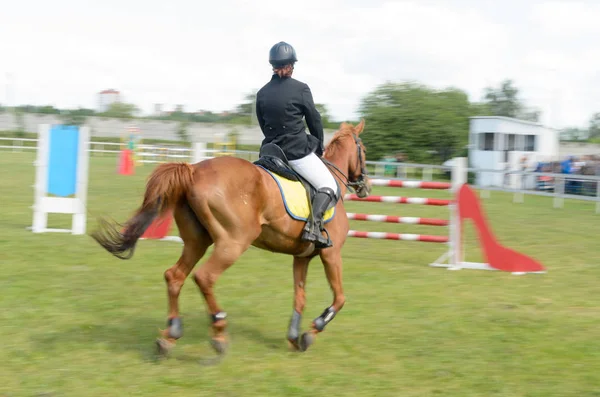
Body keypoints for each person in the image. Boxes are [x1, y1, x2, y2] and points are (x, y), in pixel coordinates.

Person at [255, 41, 338, 248]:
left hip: (271, 153)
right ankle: (314, 228)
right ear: (291, 64)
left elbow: (263, 124)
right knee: (329, 185)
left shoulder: (262, 93)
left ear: (272, 65)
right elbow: (314, 120)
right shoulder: (301, 89)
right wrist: (318, 145)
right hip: (296, 152)